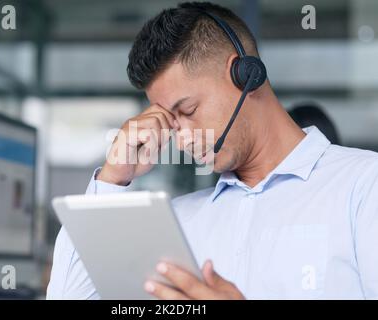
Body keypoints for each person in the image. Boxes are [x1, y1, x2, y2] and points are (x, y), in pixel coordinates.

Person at [47, 2, 378, 299]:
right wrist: (112, 179)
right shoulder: (176, 221)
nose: (184, 139)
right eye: (171, 123)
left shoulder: (364, 186)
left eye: (188, 111)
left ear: (244, 75)